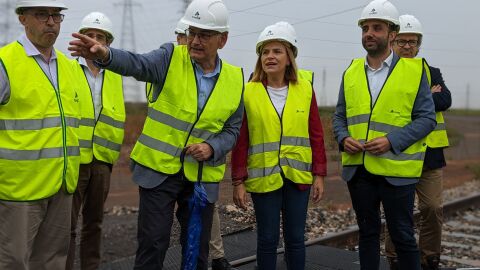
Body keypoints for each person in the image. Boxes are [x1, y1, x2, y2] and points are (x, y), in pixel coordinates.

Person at [68, 0, 244, 269]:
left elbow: (233, 129)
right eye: (191, 32)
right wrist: (106, 55)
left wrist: (212, 146)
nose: (194, 40)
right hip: (158, 172)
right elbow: (137, 64)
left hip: (201, 176)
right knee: (153, 244)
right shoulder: (170, 57)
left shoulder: (235, 79)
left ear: (223, 39)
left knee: (196, 249)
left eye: (204, 35)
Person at [332, 0, 437, 269]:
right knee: (366, 234)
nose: (369, 33)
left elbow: (426, 119)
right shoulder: (351, 71)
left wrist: (392, 140)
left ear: (392, 34)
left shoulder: (414, 73)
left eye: (376, 27)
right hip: (360, 171)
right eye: (365, 28)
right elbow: (340, 116)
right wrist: (344, 138)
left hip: (397, 172)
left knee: (402, 235)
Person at [231, 21, 327, 270]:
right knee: (267, 239)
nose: (269, 57)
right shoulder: (248, 92)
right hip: (264, 177)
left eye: (277, 51)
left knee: (296, 239)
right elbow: (242, 139)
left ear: (289, 57)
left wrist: (319, 174)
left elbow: (316, 133)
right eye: (265, 52)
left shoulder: (305, 89)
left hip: (298, 176)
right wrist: (238, 181)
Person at [0, 0, 82, 269]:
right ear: (23, 19)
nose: (51, 21)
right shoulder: (5, 63)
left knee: (52, 262)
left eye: (56, 15)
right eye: (41, 15)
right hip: (19, 190)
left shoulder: (70, 68)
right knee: (14, 262)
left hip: (61, 185)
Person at [384, 14, 451, 270]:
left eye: (412, 42)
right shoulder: (384, 73)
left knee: (432, 208)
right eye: (402, 41)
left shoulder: (431, 71)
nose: (407, 47)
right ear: (392, 42)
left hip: (430, 154)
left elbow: (445, 100)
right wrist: (426, 97)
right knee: (397, 211)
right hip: (398, 152)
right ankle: (395, 258)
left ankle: (429, 258)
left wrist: (412, 102)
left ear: (419, 44)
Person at [66, 12, 126, 270]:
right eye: (89, 35)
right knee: (66, 225)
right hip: (73, 159)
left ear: (107, 43)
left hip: (102, 160)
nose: (94, 40)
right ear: (81, 39)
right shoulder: (67, 69)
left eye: (99, 36)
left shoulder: (114, 75)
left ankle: (91, 267)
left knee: (95, 223)